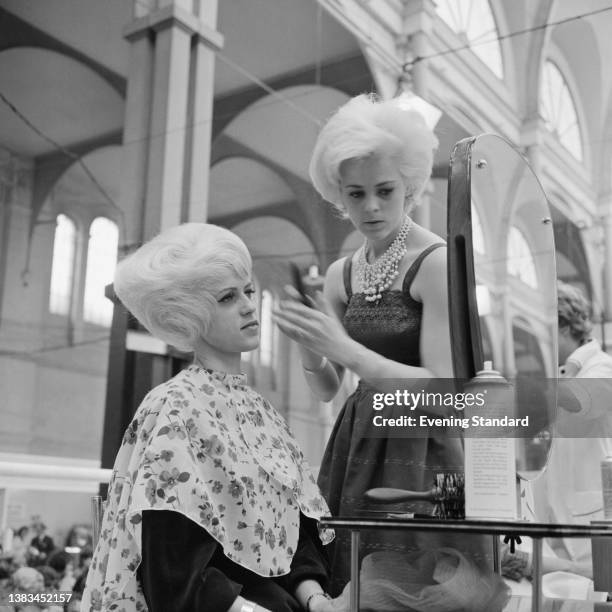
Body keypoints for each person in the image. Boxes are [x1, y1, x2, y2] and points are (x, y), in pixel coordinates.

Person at [274, 94, 488, 595]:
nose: (370, 207)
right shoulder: (339, 275)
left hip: (427, 449)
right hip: (357, 443)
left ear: (410, 186)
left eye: (385, 190)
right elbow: (329, 390)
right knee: (351, 580)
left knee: (420, 582)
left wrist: (344, 349)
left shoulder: (435, 262)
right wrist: (309, 342)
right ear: (339, 195)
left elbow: (445, 390)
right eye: (355, 194)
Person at [82, 223, 335, 612]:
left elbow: (293, 529)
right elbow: (172, 565)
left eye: (248, 291)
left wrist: (315, 597)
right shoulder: (173, 407)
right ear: (191, 315)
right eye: (228, 297)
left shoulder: (264, 414)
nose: (250, 305)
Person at [539, 281, 612, 561]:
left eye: (547, 331)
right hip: (564, 512)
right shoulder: (563, 372)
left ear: (565, 327)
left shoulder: (602, 366)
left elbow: (582, 402)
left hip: (594, 511)